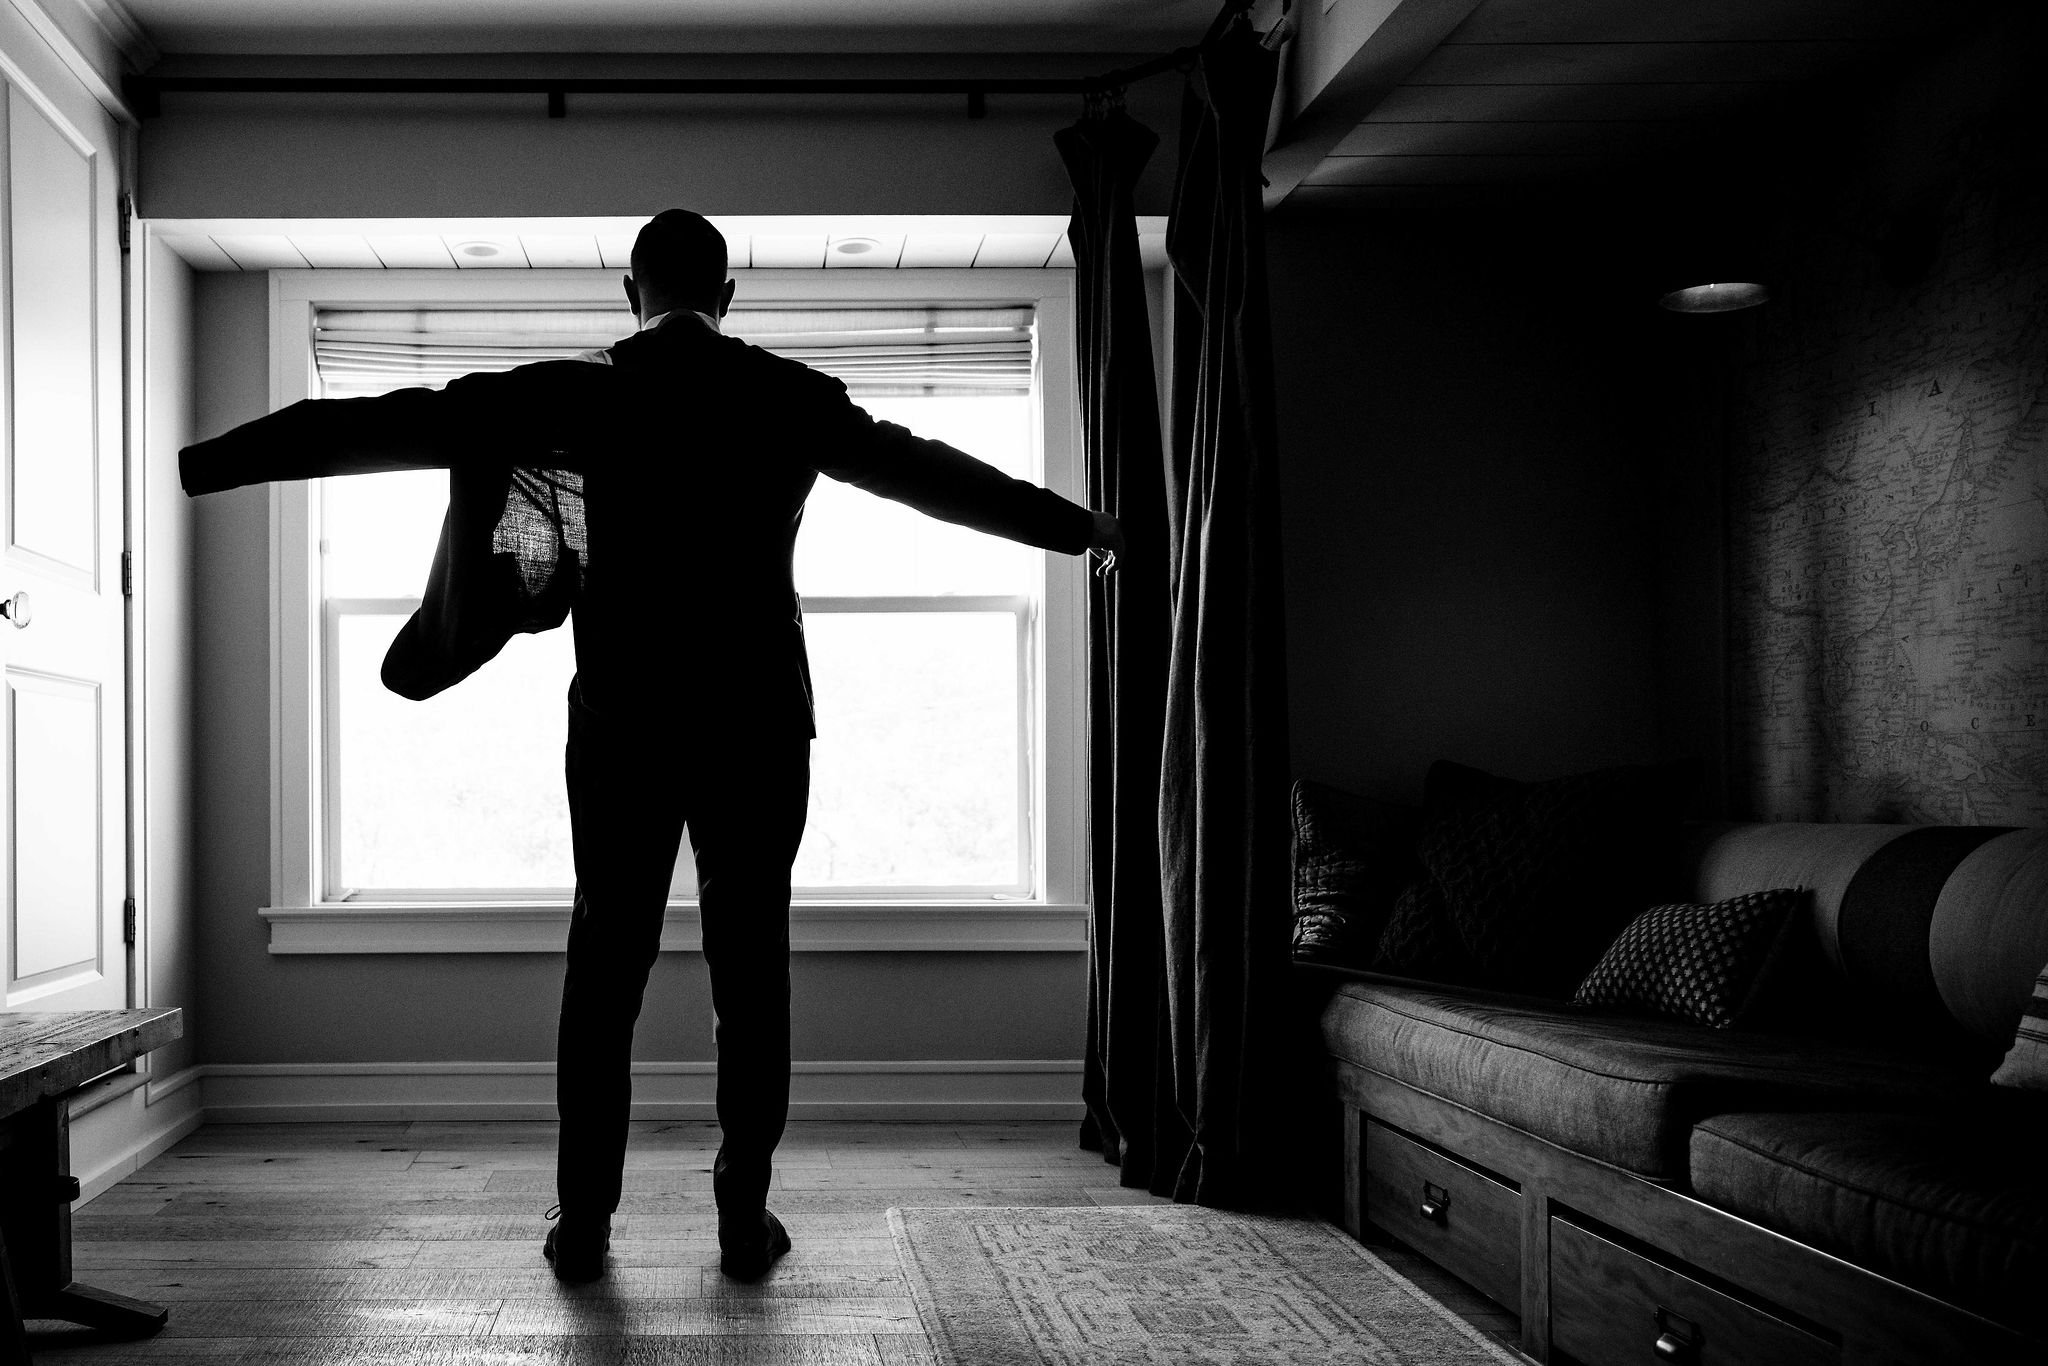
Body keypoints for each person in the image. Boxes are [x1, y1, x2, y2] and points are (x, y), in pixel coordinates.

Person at [180, 209, 1124, 1284]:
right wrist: (1080, 528)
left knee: (604, 966)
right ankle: (740, 1219)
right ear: (726, 296)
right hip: (757, 716)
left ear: (631, 292)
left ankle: (583, 1224)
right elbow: (939, 477)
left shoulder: (572, 394)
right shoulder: (788, 394)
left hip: (623, 718)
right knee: (751, 966)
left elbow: (375, 423)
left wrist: (210, 463)